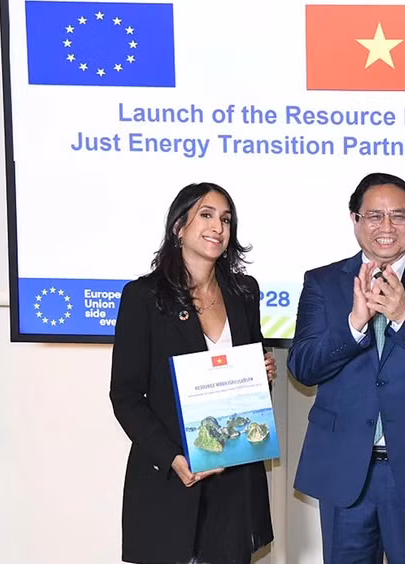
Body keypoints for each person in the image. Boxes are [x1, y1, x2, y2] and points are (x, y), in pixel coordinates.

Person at [288, 172, 405, 563]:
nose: (386, 227)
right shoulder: (322, 282)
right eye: (374, 216)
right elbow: (303, 367)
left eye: (398, 216)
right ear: (355, 219)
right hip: (345, 470)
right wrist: (353, 326)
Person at [110, 182, 274, 564]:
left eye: (226, 219)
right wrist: (171, 456)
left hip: (234, 482)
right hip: (171, 477)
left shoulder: (244, 292)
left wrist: (261, 372)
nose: (218, 227)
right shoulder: (144, 297)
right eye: (206, 215)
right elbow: (126, 396)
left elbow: (250, 377)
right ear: (179, 227)